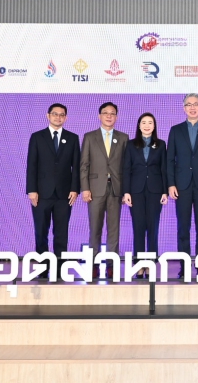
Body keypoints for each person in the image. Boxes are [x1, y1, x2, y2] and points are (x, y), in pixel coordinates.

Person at [166, 93, 198, 278]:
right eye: (189, 104)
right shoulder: (175, 130)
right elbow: (169, 160)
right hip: (182, 185)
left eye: (196, 104)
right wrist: (171, 184)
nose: (192, 107)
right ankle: (185, 266)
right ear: (184, 108)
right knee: (183, 227)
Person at [25, 103, 81, 276]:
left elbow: (76, 167)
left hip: (64, 194)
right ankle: (42, 267)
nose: (58, 117)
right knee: (41, 231)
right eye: (55, 114)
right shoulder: (37, 137)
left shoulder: (72, 138)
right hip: (41, 193)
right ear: (48, 115)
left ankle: (59, 268)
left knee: (61, 233)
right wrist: (31, 190)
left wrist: (75, 189)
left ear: (66, 118)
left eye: (62, 115)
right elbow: (31, 165)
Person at [80, 102, 129, 279]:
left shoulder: (123, 138)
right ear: (99, 116)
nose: (109, 116)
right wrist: (85, 189)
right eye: (105, 113)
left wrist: (126, 190)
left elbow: (126, 167)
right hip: (95, 189)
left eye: (112, 113)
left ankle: (111, 264)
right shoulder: (89, 137)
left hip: (116, 189)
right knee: (95, 229)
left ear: (117, 117)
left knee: (114, 229)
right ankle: (93, 264)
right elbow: (84, 165)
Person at [122, 113, 168, 279]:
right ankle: (139, 264)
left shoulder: (161, 144)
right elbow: (126, 169)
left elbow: (164, 169)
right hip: (136, 191)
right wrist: (126, 191)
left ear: (154, 126)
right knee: (138, 227)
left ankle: (151, 265)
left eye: (150, 123)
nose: (147, 125)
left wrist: (165, 191)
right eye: (144, 122)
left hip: (155, 191)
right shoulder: (131, 144)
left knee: (153, 228)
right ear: (139, 125)